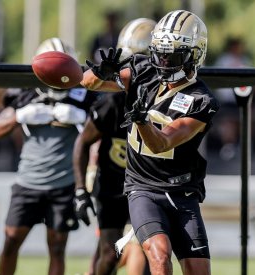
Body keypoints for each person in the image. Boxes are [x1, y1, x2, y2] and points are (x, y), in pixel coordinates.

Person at [82, 10, 218, 275]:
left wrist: (142, 121)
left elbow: (162, 143)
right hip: (143, 188)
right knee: (159, 255)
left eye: (172, 55)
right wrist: (101, 73)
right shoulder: (144, 71)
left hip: (182, 192)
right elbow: (87, 82)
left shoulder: (201, 100)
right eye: (160, 53)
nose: (164, 62)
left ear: (194, 55)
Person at [0, 37, 98, 275]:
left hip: (64, 183)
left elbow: (103, 127)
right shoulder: (27, 94)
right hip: (28, 182)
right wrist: (20, 116)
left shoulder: (82, 96)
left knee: (57, 248)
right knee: (10, 242)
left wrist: (84, 119)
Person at [73, 18, 156, 275]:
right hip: (113, 185)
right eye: (134, 63)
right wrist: (80, 191)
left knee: (148, 250)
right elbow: (84, 142)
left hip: (148, 184)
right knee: (109, 256)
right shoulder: (113, 103)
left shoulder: (167, 99)